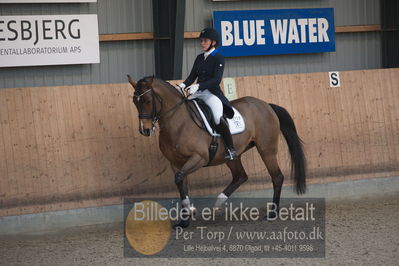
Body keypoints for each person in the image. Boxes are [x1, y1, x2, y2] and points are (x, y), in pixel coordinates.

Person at [177, 28, 237, 160]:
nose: (202, 43)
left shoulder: (219, 58)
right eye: (201, 41)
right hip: (198, 93)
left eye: (205, 41)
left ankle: (230, 149)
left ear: (213, 42)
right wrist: (182, 85)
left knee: (217, 117)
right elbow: (192, 76)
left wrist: (199, 85)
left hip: (212, 94)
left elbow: (216, 79)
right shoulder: (199, 58)